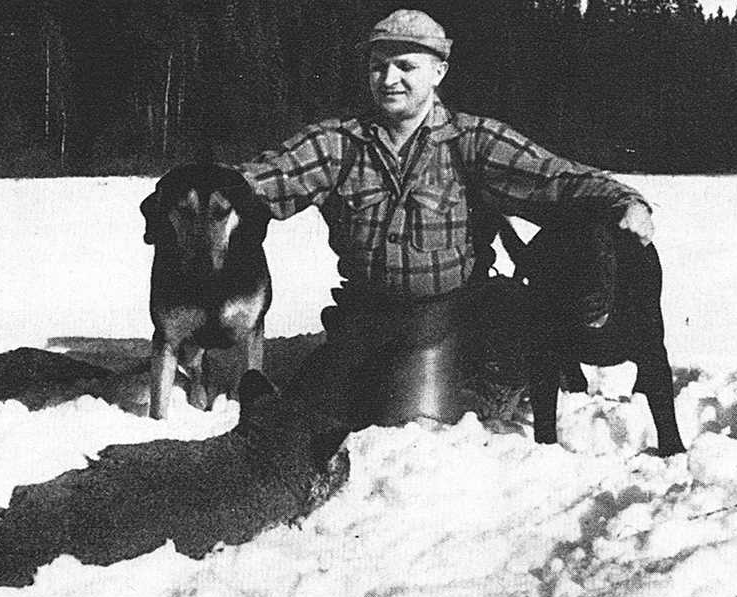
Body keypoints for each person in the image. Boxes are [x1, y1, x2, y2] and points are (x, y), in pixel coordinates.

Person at [229, 9, 685, 455]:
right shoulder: (336, 143)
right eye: (377, 67)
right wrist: (213, 193)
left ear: (438, 71)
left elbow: (557, 179)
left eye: (406, 66)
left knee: (407, 433)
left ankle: (495, 380)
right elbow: (255, 182)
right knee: (303, 422)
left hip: (448, 318)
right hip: (364, 317)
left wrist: (628, 203)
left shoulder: (474, 141)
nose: (389, 79)